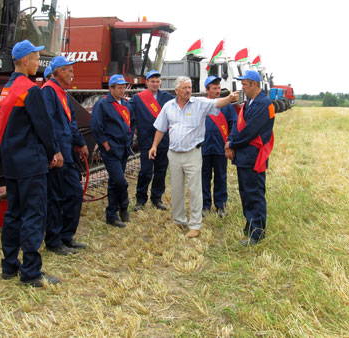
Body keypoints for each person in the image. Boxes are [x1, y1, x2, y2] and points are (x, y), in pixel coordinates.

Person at [0, 39, 61, 287]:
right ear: (25, 61)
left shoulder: (7, 88)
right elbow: (43, 127)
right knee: (34, 215)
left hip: (12, 163)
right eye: (36, 59)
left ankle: (9, 266)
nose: (38, 63)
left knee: (14, 213)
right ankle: (31, 272)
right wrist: (53, 152)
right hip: (31, 163)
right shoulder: (30, 89)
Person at [149, 76, 238, 238]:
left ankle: (195, 225)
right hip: (174, 154)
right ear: (176, 90)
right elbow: (161, 128)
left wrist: (230, 98)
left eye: (190, 87)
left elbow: (217, 103)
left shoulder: (199, 103)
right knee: (176, 189)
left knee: (195, 190)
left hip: (193, 153)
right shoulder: (168, 106)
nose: (188, 90)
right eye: (185, 88)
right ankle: (179, 220)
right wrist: (154, 146)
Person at [42, 56, 89, 255]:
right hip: (58, 155)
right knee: (55, 197)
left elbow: (71, 123)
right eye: (69, 70)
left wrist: (80, 143)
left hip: (67, 153)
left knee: (74, 193)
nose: (72, 74)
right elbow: (48, 124)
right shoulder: (48, 92)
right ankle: (53, 241)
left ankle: (66, 236)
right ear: (60, 71)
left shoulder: (62, 93)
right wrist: (55, 151)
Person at [225, 70, 275, 246]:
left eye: (244, 84)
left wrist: (232, 145)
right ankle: (250, 225)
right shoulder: (250, 103)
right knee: (246, 192)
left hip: (253, 156)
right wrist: (230, 140)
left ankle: (257, 233)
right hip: (244, 156)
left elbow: (249, 131)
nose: (242, 88)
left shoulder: (263, 104)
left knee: (254, 193)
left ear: (254, 84)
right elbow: (238, 127)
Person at [90, 74, 135, 228]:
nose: (122, 90)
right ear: (111, 88)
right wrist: (106, 145)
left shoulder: (127, 105)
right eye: (119, 87)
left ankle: (112, 214)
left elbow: (132, 123)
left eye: (124, 87)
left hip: (123, 149)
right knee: (121, 182)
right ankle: (123, 206)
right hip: (111, 150)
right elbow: (96, 126)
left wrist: (129, 139)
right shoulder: (102, 104)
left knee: (115, 182)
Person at [129, 70, 174, 211]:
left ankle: (157, 198)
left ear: (160, 82)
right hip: (146, 141)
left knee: (161, 171)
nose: (155, 84)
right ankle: (141, 199)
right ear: (147, 82)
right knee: (146, 171)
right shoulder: (138, 98)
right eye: (152, 81)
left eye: (157, 81)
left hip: (164, 140)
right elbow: (129, 114)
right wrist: (135, 129)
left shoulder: (167, 97)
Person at [201, 76, 237, 218]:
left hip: (221, 147)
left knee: (221, 177)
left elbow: (233, 124)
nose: (217, 91)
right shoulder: (202, 105)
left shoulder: (227, 106)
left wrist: (230, 142)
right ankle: (205, 205)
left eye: (218, 88)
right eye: (214, 88)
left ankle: (220, 205)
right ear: (207, 90)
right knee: (204, 177)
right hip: (204, 148)